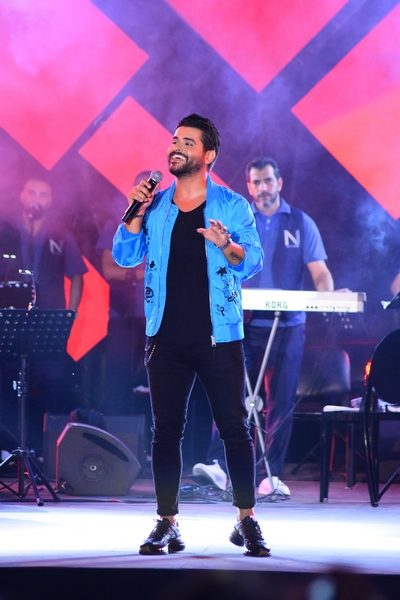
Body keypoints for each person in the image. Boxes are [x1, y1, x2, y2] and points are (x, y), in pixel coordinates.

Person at [112, 114, 270, 557]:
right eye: (174, 140)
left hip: (218, 335)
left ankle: (246, 519)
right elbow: (124, 256)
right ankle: (167, 522)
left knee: (235, 428)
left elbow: (251, 261)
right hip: (165, 336)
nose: (176, 147)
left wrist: (225, 245)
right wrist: (134, 214)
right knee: (166, 432)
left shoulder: (232, 205)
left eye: (187, 142)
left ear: (208, 155)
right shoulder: (156, 205)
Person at [192, 157, 335, 497]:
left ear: (279, 183)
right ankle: (221, 466)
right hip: (243, 321)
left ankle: (270, 474)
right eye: (256, 182)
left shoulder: (300, 222)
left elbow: (320, 273)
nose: (263, 188)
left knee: (281, 401)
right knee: (229, 394)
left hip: (288, 324)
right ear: (249, 186)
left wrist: (329, 298)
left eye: (268, 180)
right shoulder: (239, 221)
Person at [0, 176, 87, 450]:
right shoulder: (5, 232)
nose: (37, 198)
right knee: (7, 379)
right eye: (32, 192)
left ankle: (48, 449)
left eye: (43, 194)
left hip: (48, 320)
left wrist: (70, 313)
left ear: (50, 201)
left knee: (54, 380)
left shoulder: (60, 235)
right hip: (11, 320)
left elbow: (77, 275)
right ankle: (10, 445)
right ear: (22, 196)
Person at [96, 173, 151, 416]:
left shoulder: (163, 225)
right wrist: (144, 272)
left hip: (155, 316)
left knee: (154, 382)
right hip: (122, 315)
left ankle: (150, 436)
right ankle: (116, 432)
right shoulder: (116, 224)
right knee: (118, 380)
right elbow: (109, 269)